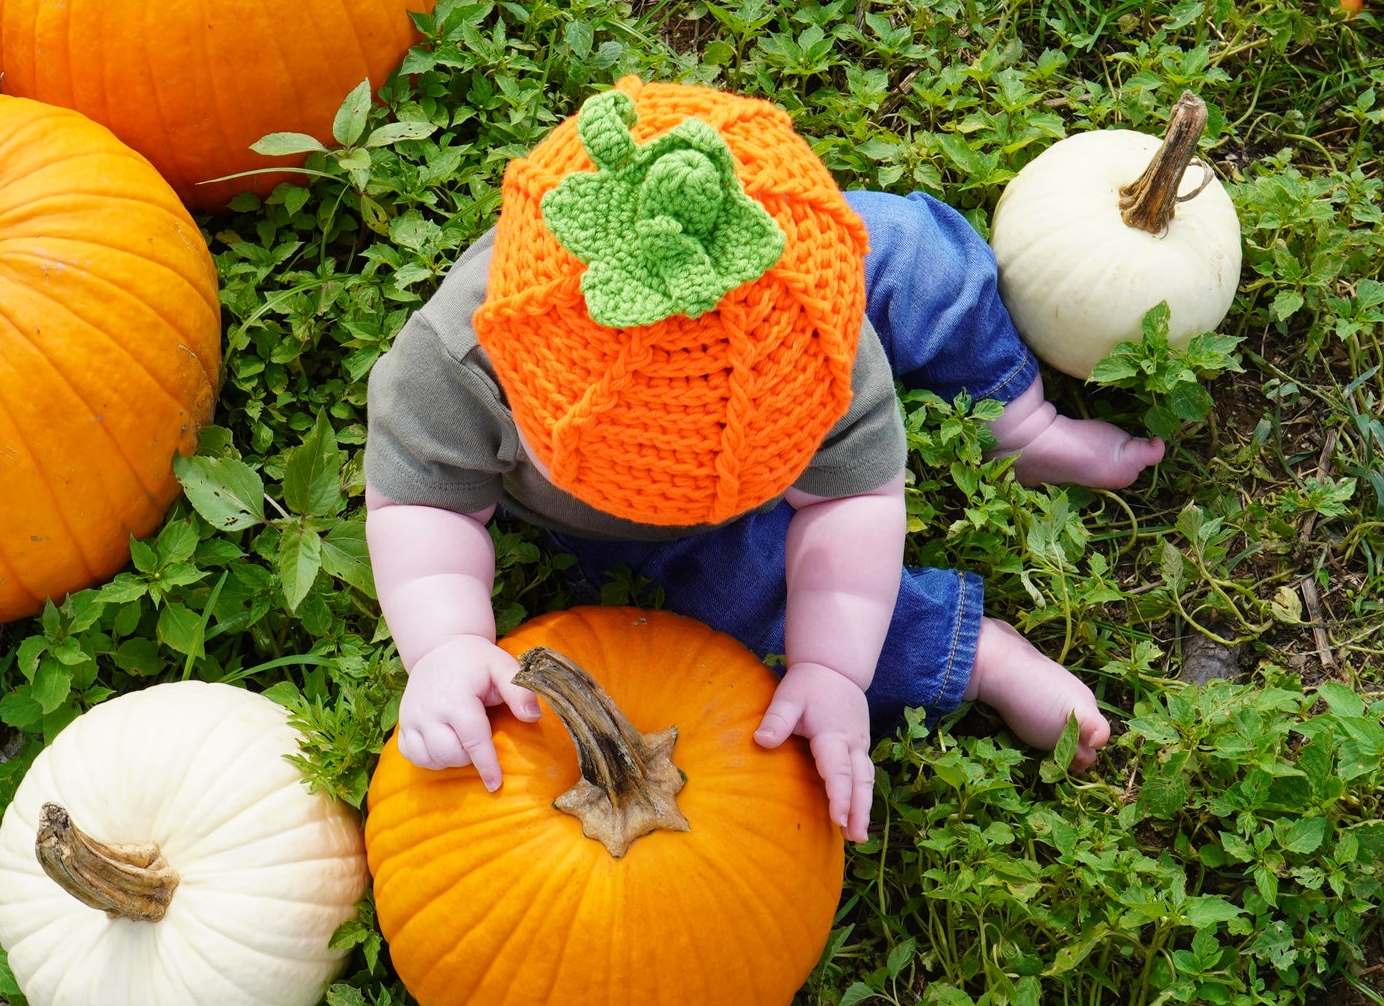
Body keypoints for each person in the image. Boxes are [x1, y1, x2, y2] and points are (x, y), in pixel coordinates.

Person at [363, 78, 1162, 843]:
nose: (735, 499)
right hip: (625, 529)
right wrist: (446, 645)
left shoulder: (816, 333)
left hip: (769, 271)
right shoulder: (459, 365)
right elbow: (423, 506)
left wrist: (831, 653)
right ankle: (972, 653)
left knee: (919, 257)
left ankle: (1018, 419)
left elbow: (853, 505)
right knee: (740, 598)